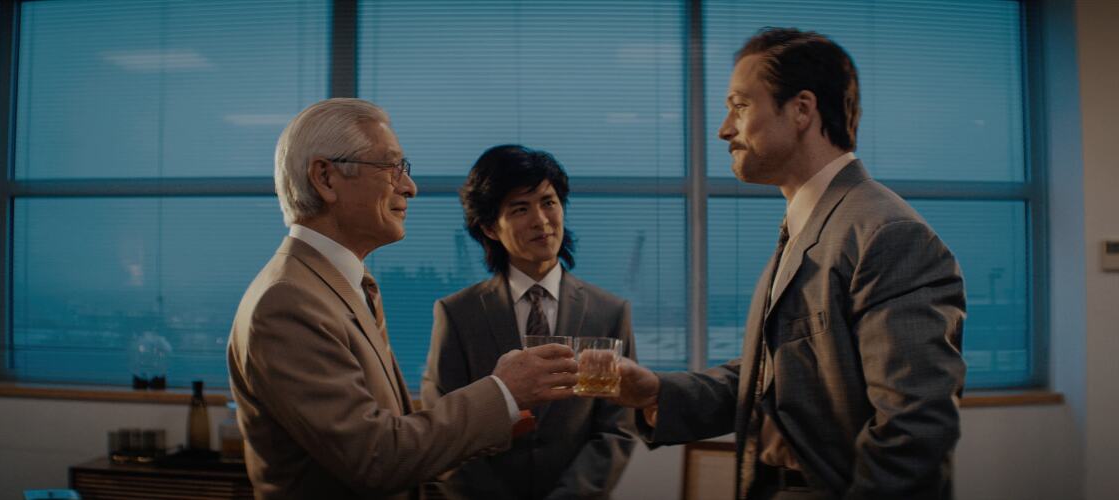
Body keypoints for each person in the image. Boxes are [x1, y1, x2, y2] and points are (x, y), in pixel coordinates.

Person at [608, 28, 967, 500]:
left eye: (739, 106)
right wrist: (657, 390)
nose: (724, 129)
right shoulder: (812, 222)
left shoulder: (886, 234)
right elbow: (775, 376)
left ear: (801, 110)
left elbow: (915, 426)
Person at [227, 99, 579, 500]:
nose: (410, 187)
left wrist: (500, 414)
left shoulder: (345, 287)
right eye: (391, 168)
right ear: (325, 178)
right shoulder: (287, 302)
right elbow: (378, 458)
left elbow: (392, 431)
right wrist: (504, 391)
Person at [421, 145, 637, 499]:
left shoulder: (609, 312)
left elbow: (616, 429)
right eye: (520, 208)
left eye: (548, 202)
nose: (541, 219)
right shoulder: (457, 314)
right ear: (490, 227)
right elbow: (443, 426)